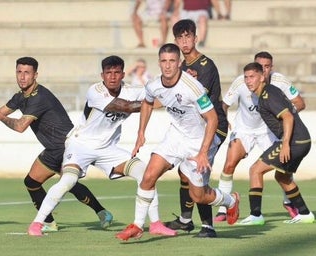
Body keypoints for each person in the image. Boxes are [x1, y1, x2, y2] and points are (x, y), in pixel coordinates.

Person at [0, 56, 112, 232]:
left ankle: (82, 216)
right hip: (55, 147)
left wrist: (1, 117)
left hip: (66, 145)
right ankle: (65, 219)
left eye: (27, 73)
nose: (22, 77)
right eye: (19, 72)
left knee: (60, 182)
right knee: (40, 182)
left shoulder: (40, 97)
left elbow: (20, 126)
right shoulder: (21, 96)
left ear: (35, 75)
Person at [27, 55, 176, 237]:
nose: (112, 77)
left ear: (123, 74)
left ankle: (155, 224)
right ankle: (37, 223)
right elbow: (124, 106)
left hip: (108, 148)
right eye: (108, 73)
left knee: (146, 174)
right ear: (102, 75)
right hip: (80, 144)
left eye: (116, 72)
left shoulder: (132, 90)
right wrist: (153, 103)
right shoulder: (95, 91)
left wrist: (175, 84)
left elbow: (159, 92)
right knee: (68, 181)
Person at [115, 43, 239, 241]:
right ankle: (137, 225)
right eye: (164, 61)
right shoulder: (154, 85)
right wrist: (141, 133)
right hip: (175, 136)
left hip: (197, 141)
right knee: (148, 176)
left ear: (179, 62)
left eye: (172, 61)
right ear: (159, 63)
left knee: (198, 195)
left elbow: (213, 118)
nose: (168, 66)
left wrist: (203, 152)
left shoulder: (193, 87)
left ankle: (231, 201)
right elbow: (147, 102)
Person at [214, 51, 306, 222]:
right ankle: (223, 208)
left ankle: (289, 202)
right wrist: (224, 120)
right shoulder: (242, 82)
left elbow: (300, 103)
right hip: (244, 130)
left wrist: (283, 116)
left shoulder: (279, 82)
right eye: (260, 66)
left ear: (272, 68)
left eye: (267, 66)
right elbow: (224, 104)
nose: (263, 70)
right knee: (229, 164)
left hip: (268, 131)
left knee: (283, 167)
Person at [163, 19, 228, 238]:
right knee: (184, 173)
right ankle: (185, 220)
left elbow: (197, 96)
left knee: (198, 173)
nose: (184, 41)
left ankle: (208, 226)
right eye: (180, 38)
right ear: (175, 41)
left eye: (188, 36)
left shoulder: (205, 66)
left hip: (213, 126)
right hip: (193, 129)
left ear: (195, 38)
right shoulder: (179, 67)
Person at [236, 62, 314, 225]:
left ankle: (256, 215)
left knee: (255, 170)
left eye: (252, 76)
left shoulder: (267, 95)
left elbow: (288, 117)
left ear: (262, 77)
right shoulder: (267, 93)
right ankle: (305, 213)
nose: (249, 81)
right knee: (282, 176)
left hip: (294, 142)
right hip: (302, 140)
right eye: (246, 77)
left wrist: (285, 144)